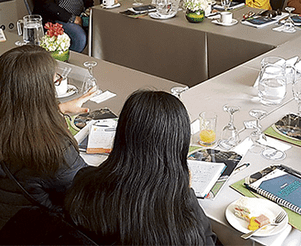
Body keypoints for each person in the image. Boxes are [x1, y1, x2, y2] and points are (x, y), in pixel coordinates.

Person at [0, 45, 96, 244]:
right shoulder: (52, 149)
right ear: (40, 92)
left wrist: (58, 109)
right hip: (26, 237)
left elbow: (16, 114)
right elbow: (89, 195)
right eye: (54, 80)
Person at [65, 90, 216, 245]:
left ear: (122, 134)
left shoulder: (84, 184)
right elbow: (208, 241)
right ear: (178, 145)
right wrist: (188, 194)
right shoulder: (179, 225)